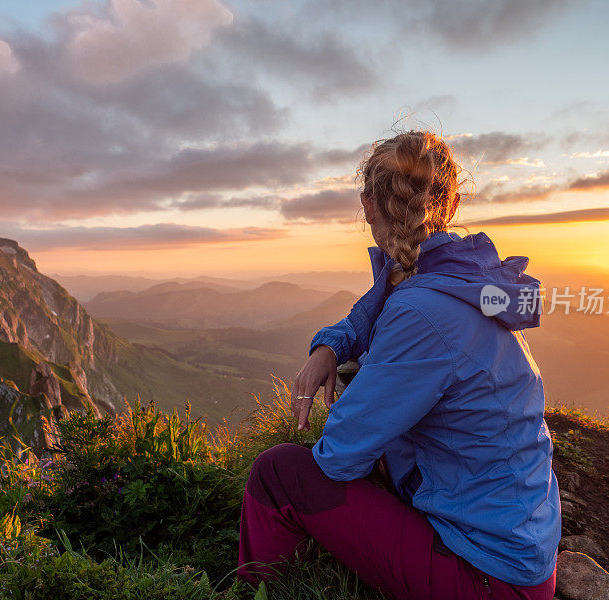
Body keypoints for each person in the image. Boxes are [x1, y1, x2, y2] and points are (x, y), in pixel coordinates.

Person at [237, 130, 561, 600]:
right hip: (520, 547)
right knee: (362, 381)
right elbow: (373, 312)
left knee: (278, 473)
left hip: (488, 579)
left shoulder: (421, 310)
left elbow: (340, 455)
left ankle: (261, 591)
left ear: (368, 205)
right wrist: (329, 346)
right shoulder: (461, 276)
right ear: (447, 203)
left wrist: (359, 400)